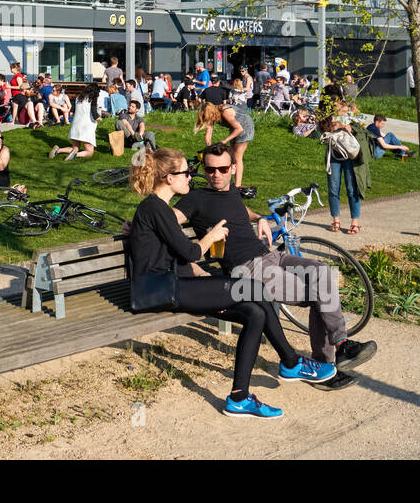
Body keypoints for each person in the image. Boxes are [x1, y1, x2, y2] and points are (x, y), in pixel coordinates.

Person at [126, 147, 338, 418]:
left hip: (171, 284)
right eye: (186, 173)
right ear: (169, 177)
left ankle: (239, 397)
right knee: (253, 288)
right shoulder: (155, 208)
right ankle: (291, 361)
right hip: (159, 290)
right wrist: (211, 236)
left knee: (254, 312)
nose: (190, 178)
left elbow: (166, 247)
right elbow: (190, 252)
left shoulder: (158, 210)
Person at [173, 142, 375, 377]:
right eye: (210, 170)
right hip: (248, 269)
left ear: (234, 168)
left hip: (271, 256)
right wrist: (138, 224)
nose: (216, 175)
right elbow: (167, 218)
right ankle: (331, 358)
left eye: (223, 169)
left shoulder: (231, 192)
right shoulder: (196, 198)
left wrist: (259, 217)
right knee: (317, 294)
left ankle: (337, 351)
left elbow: (241, 210)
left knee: (322, 272)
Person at [193, 97, 255, 196]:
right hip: (235, 128)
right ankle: (229, 183)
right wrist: (209, 148)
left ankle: (237, 186)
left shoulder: (225, 112)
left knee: (237, 157)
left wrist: (224, 141)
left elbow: (239, 129)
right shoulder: (212, 114)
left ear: (212, 112)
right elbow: (208, 133)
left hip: (245, 127)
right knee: (232, 157)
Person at [319, 117, 369, 234]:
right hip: (333, 154)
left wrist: (351, 128)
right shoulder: (328, 113)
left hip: (349, 154)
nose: (336, 104)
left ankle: (354, 223)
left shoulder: (352, 113)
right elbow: (321, 129)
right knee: (333, 189)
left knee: (352, 189)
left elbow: (363, 130)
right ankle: (336, 221)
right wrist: (330, 127)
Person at [50, 82, 99, 160]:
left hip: (75, 126)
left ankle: (58, 150)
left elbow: (73, 109)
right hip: (86, 127)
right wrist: (98, 118)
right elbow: (94, 111)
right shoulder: (92, 98)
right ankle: (74, 156)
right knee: (89, 152)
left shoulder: (79, 97)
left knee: (75, 148)